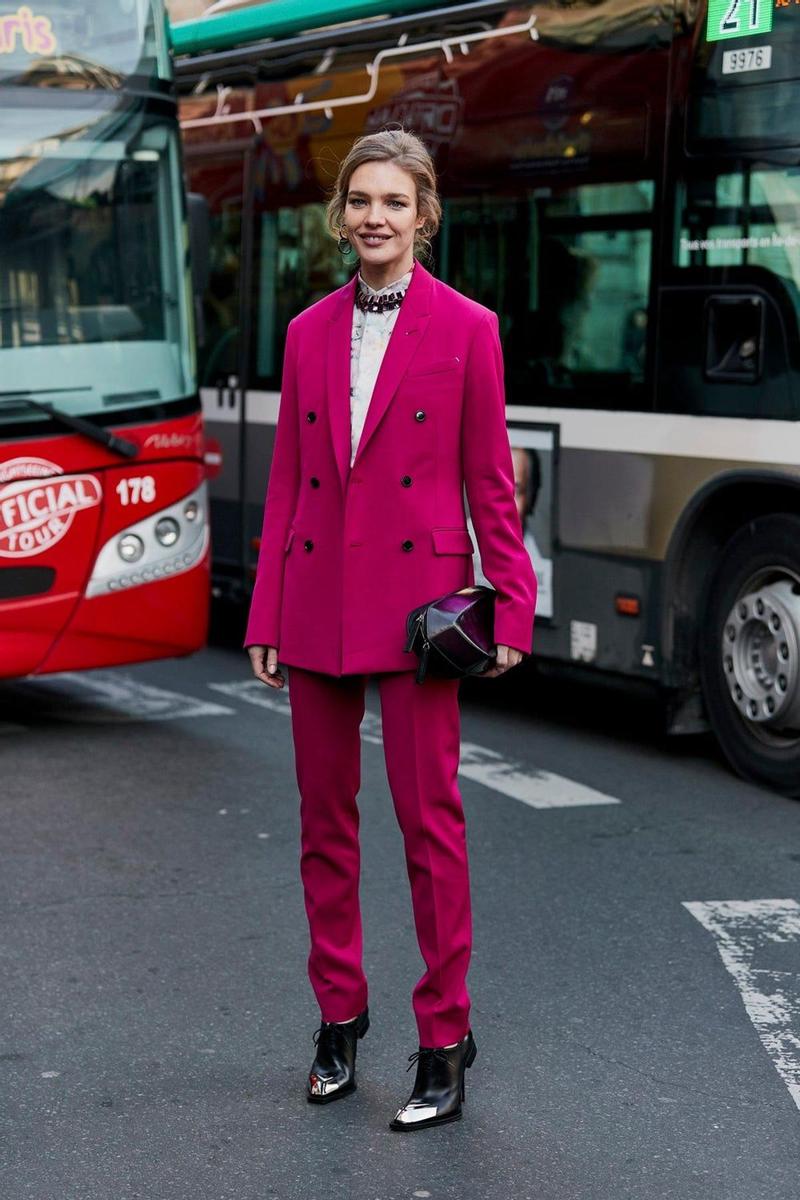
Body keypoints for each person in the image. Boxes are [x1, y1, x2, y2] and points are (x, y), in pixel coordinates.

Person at [245, 128, 537, 1132]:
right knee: (324, 825)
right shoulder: (306, 331)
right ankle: (338, 1019)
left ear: (424, 216)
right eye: (359, 200)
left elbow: (490, 482)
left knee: (429, 826)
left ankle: (443, 1036)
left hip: (422, 609)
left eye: (393, 202)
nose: (375, 216)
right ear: (341, 216)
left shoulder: (469, 329)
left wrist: (510, 597)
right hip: (318, 601)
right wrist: (265, 611)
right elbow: (288, 478)